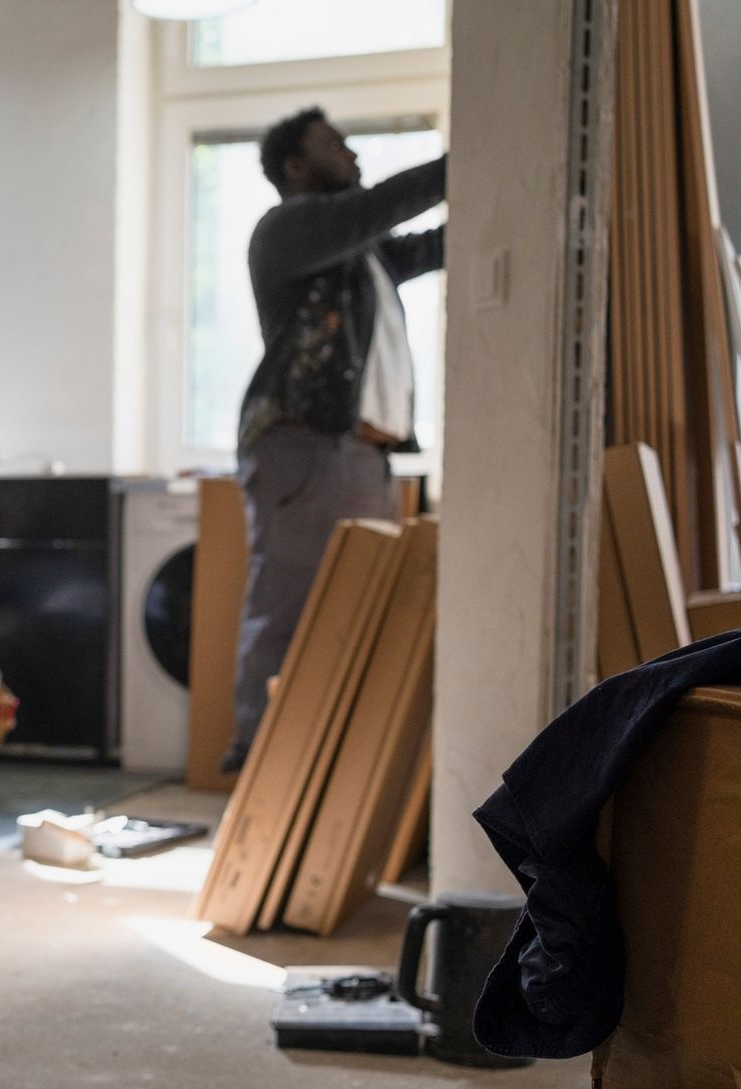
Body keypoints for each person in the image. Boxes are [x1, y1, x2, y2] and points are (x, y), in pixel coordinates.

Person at [226, 107, 447, 772]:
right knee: (290, 610)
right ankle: (259, 764)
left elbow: (430, 244)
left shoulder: (363, 254)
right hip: (306, 447)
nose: (350, 150)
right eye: (332, 143)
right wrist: (462, 163)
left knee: (358, 614)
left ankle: (328, 773)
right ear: (296, 167)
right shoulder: (289, 229)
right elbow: (379, 207)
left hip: (362, 455)